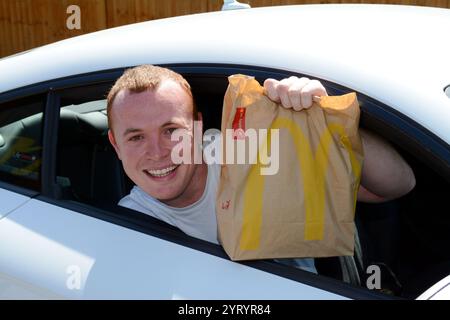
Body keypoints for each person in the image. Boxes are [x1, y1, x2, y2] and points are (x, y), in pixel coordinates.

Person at [107, 65, 416, 273]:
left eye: (171, 130)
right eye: (135, 137)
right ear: (115, 145)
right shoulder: (126, 229)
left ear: (198, 128)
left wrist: (324, 119)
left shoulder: (249, 151)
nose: (158, 152)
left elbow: (396, 184)